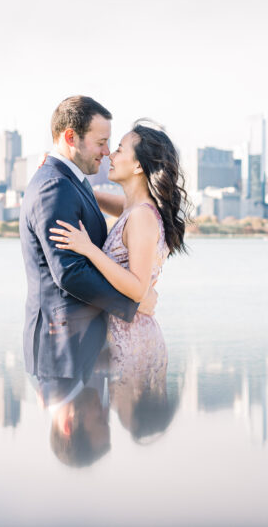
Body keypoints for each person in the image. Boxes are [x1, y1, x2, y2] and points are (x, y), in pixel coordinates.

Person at [19, 96, 158, 412]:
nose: (107, 151)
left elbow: (134, 211)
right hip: (62, 351)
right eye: (101, 142)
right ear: (71, 138)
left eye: (111, 144)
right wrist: (132, 304)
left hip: (82, 348)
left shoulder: (70, 180)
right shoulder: (54, 185)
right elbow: (69, 272)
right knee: (80, 440)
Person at [48, 119, 188, 380]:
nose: (110, 154)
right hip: (122, 336)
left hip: (131, 343)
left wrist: (89, 249)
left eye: (120, 149)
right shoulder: (133, 209)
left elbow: (137, 289)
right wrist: (63, 169)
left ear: (138, 165)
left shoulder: (142, 217)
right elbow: (92, 195)